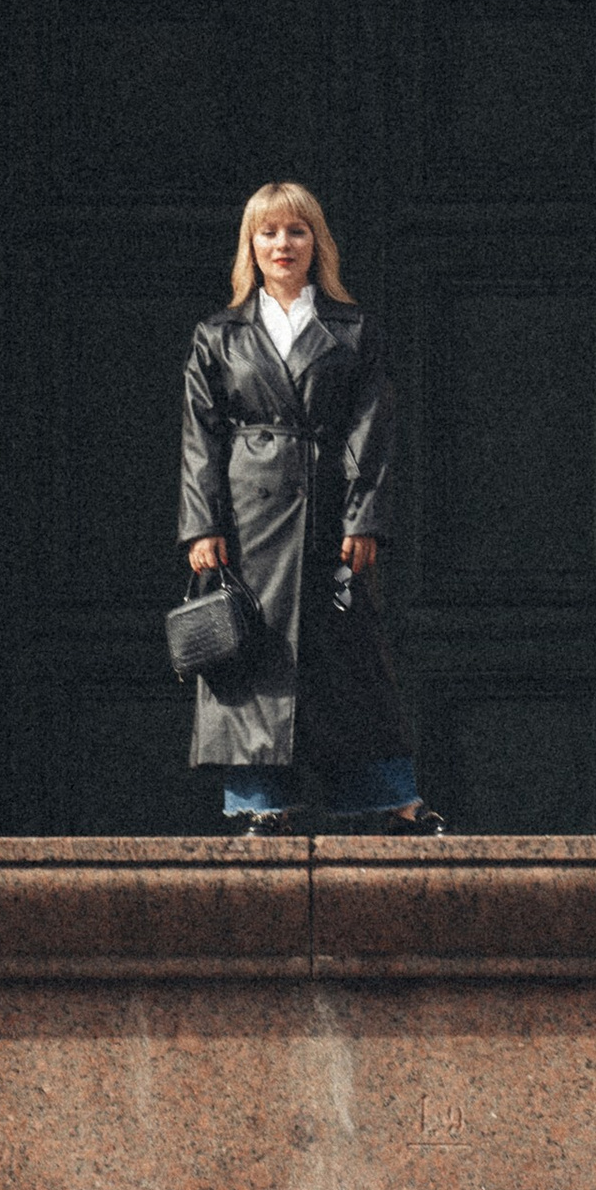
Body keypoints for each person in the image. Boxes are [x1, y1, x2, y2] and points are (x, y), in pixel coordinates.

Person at [179, 184, 445, 834]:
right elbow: (199, 432)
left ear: (316, 243)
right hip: (247, 519)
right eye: (268, 232)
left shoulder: (353, 330)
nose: (282, 244)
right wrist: (203, 521)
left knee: (352, 666)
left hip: (329, 515)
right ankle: (259, 806)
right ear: (251, 245)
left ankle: (393, 802)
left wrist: (364, 516)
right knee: (249, 661)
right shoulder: (219, 334)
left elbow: (371, 428)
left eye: (297, 231)